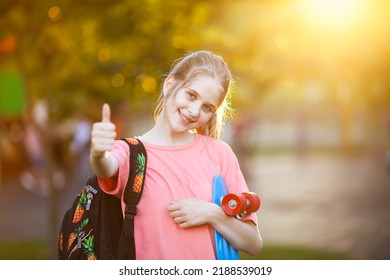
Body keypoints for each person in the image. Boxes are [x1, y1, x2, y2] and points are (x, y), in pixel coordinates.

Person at [90, 50, 263, 259]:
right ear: (170, 85)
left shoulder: (219, 153)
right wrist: (98, 153)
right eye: (191, 95)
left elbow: (253, 244)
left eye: (207, 107)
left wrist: (213, 214)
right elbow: (106, 166)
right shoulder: (131, 152)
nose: (194, 111)